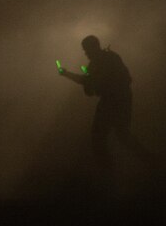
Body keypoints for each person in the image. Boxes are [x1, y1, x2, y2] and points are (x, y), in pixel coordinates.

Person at [60, 35, 156, 174]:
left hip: (112, 101)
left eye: (86, 50)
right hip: (121, 99)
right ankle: (151, 161)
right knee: (122, 135)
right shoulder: (109, 58)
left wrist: (69, 74)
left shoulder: (102, 61)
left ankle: (108, 174)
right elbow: (91, 85)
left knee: (99, 137)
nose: (86, 53)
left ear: (93, 47)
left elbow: (90, 86)